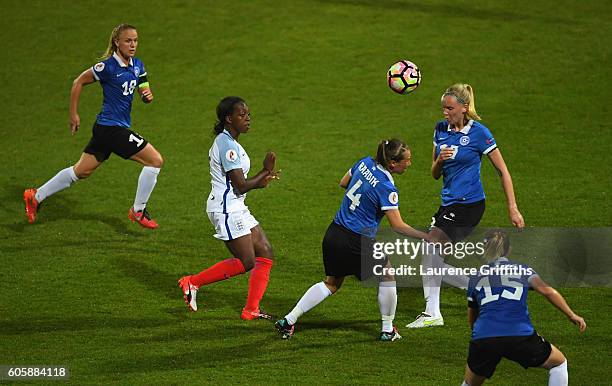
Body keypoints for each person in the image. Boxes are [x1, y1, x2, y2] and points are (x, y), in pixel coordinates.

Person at [275, 139, 432, 341]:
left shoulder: (364, 162)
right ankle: (387, 330)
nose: (409, 164)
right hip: (358, 240)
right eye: (407, 160)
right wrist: (427, 236)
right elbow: (398, 226)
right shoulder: (386, 187)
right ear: (393, 163)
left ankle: (289, 320)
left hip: (334, 233)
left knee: (331, 283)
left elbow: (343, 182)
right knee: (387, 277)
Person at [407, 83, 525, 328]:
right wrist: (439, 160)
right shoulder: (440, 129)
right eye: (443, 108)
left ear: (464, 107)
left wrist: (512, 207)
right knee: (433, 258)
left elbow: (503, 171)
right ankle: (464, 294)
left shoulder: (479, 133)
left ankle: (438, 310)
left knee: (432, 251)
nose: (445, 113)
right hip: (448, 204)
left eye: (449, 108)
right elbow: (434, 174)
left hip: (469, 205)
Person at [23, 24, 163, 229]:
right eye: (128, 40)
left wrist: (146, 95)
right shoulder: (107, 67)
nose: (133, 45)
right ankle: (138, 210)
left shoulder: (138, 65)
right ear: (117, 42)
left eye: (135, 40)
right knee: (155, 161)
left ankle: (35, 196)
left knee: (80, 172)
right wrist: (73, 114)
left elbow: (143, 85)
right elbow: (78, 82)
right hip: (112, 129)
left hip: (106, 129)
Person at [178, 96, 280, 320]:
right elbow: (241, 185)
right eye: (242, 115)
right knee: (246, 262)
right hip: (226, 209)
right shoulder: (226, 145)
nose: (247, 119)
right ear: (228, 118)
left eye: (248, 114)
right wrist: (264, 172)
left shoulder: (231, 142)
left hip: (236, 206)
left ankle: (251, 309)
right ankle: (192, 282)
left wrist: (263, 178)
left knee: (264, 250)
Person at [461, 230, 586, 386]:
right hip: (519, 334)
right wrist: (571, 315)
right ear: (509, 249)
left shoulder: (475, 277)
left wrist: (481, 338)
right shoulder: (523, 269)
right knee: (558, 363)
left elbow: (472, 316)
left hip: (484, 336)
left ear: (485, 249)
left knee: (470, 383)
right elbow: (548, 291)